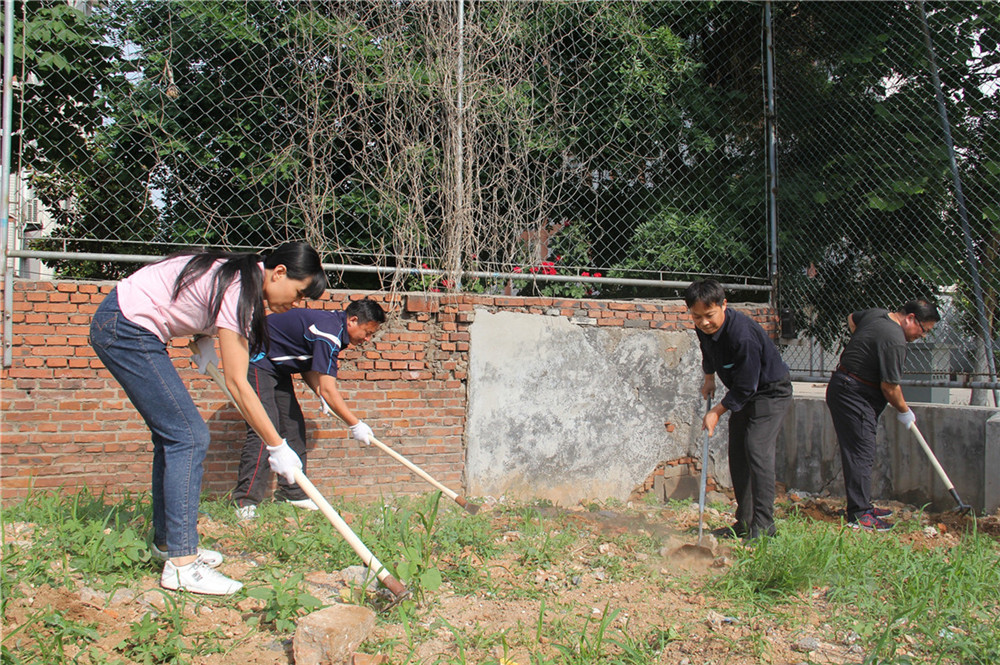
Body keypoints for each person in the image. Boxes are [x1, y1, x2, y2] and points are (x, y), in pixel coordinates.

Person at [89, 242, 327, 595]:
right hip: (126, 328)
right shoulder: (240, 289)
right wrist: (277, 446)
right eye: (298, 292)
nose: (296, 303)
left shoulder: (239, 279)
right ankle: (182, 566)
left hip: (127, 324)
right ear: (279, 273)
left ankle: (170, 544)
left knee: (173, 437)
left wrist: (202, 337)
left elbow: (191, 295)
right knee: (189, 437)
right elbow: (238, 383)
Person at [232, 298, 387, 520]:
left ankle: (293, 494)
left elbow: (307, 365)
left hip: (277, 368)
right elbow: (329, 389)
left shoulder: (335, 328)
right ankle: (244, 502)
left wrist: (319, 393)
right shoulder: (329, 333)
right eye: (367, 332)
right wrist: (355, 424)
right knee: (264, 429)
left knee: (293, 426)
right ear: (353, 320)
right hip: (257, 360)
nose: (367, 339)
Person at [684, 279, 793, 541]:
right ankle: (744, 523)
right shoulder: (703, 327)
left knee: (757, 449)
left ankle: (764, 528)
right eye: (697, 316)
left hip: (769, 392)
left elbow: (747, 386)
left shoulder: (742, 335)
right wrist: (709, 378)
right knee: (738, 453)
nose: (703, 322)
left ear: (724, 304)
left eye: (709, 315)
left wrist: (716, 412)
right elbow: (707, 350)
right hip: (743, 392)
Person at [826, 299, 940, 531]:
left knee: (861, 451)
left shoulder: (878, 314)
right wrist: (904, 411)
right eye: (923, 330)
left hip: (847, 386)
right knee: (861, 453)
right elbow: (890, 387)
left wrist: (865, 346)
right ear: (910, 318)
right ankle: (860, 514)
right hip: (854, 394)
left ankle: (863, 505)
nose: (922, 336)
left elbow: (852, 318)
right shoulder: (894, 340)